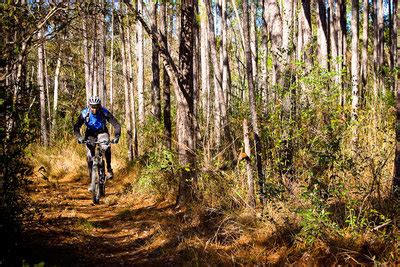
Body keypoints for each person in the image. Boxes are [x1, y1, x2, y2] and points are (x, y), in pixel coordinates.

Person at [74, 96, 121, 192]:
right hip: (90, 133)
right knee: (89, 156)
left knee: (106, 147)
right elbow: (76, 127)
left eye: (96, 106)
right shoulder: (84, 113)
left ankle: (108, 169)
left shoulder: (104, 112)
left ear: (99, 106)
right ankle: (92, 182)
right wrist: (79, 137)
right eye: (92, 106)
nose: (94, 109)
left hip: (102, 132)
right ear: (89, 106)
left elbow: (116, 124)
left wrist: (116, 136)